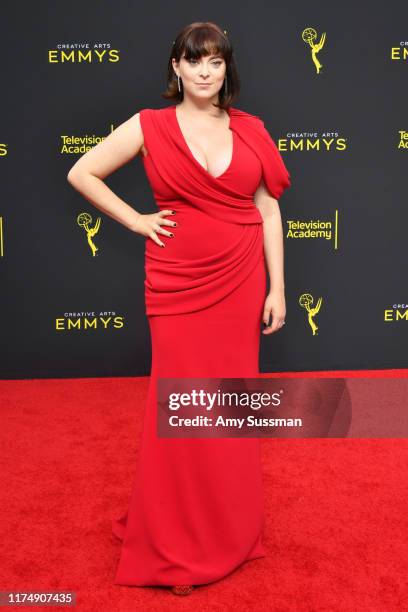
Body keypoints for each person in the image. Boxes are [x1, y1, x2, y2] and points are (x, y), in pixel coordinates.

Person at [67, 21, 291, 597]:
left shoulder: (252, 130)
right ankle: (174, 540)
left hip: (242, 280)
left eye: (215, 62)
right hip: (177, 284)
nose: (205, 72)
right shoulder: (150, 125)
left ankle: (231, 532)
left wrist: (278, 288)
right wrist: (139, 221)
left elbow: (268, 211)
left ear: (226, 69)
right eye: (195, 61)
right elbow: (81, 171)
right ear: (176, 66)